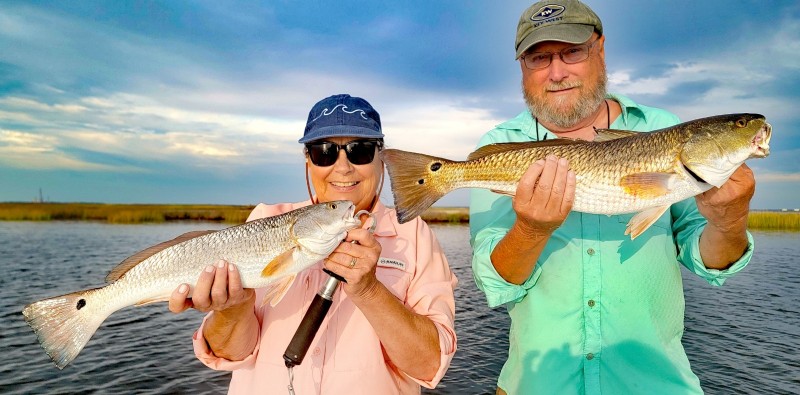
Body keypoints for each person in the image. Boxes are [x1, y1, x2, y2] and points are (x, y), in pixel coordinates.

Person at [469, 1, 756, 394]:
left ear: (599, 48)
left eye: (572, 51)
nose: (557, 72)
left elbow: (709, 263)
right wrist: (531, 230)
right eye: (539, 57)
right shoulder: (500, 147)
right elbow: (495, 284)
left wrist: (729, 220)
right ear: (522, 66)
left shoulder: (662, 128)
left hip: (657, 384)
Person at [169, 94, 458, 394]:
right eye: (324, 152)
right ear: (308, 160)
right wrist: (232, 309)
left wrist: (371, 291)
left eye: (360, 150)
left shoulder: (415, 237)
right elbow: (231, 354)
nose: (343, 167)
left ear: (381, 159)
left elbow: (430, 365)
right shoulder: (265, 218)